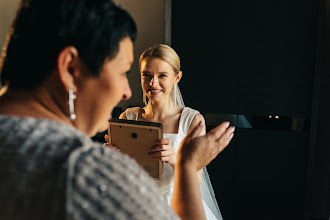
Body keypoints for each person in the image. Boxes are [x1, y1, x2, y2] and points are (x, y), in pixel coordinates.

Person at [0, 0, 234, 219]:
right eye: (123, 72)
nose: (127, 92)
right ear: (70, 69)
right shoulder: (79, 169)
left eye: (162, 75)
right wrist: (186, 165)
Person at [113, 44, 227, 220]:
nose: (153, 83)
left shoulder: (193, 120)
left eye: (162, 76)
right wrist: (113, 157)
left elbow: (196, 182)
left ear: (177, 77)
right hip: (134, 205)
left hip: (175, 207)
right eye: (147, 75)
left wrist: (174, 158)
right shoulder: (128, 117)